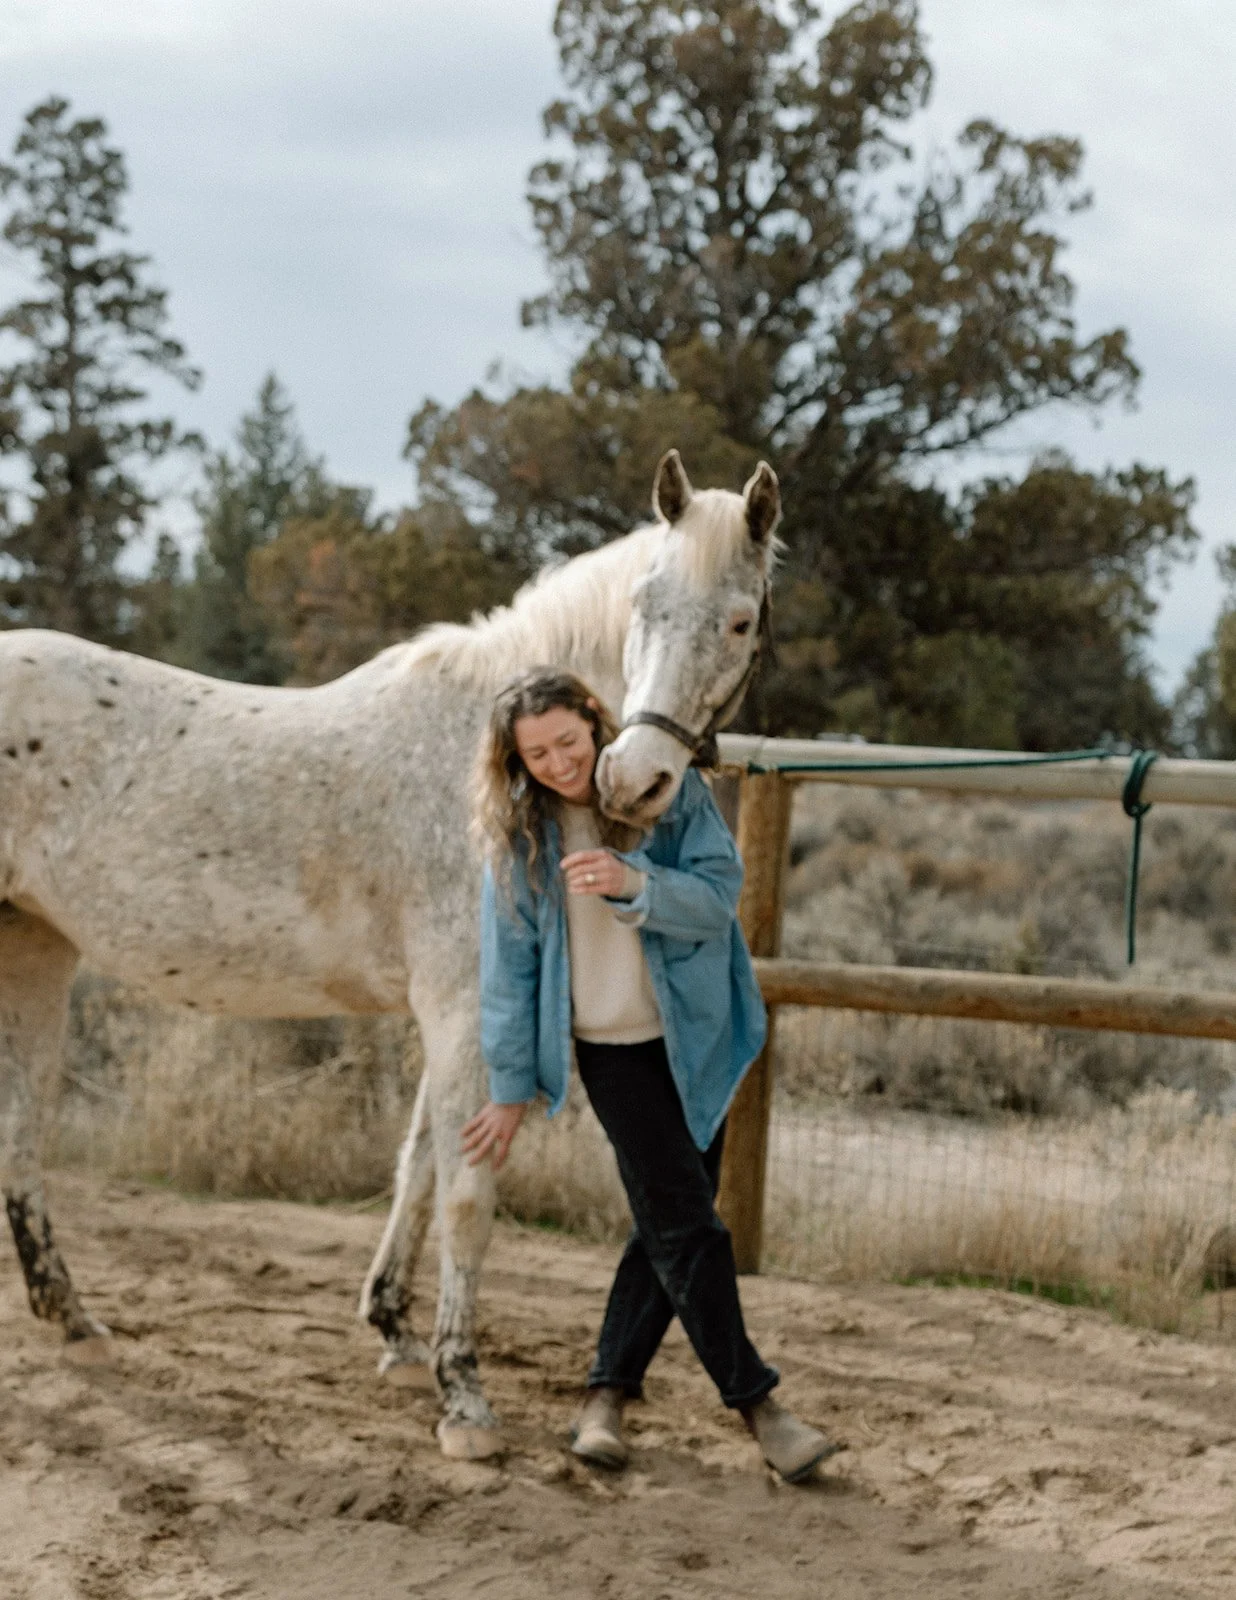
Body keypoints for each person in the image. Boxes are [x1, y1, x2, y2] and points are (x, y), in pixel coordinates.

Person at [462, 667, 837, 1483]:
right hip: (612, 1054)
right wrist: (509, 1085)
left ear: (595, 724)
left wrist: (634, 882)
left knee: (668, 1226)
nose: (559, 763)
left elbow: (718, 897)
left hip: (700, 1038)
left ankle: (605, 1397)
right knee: (690, 1228)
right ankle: (762, 1409)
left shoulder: (667, 794)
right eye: (537, 754)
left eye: (568, 740)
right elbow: (509, 971)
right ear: (517, 762)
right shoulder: (522, 840)